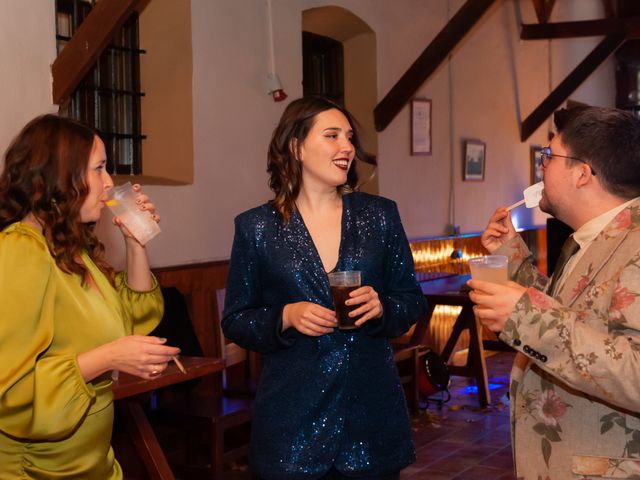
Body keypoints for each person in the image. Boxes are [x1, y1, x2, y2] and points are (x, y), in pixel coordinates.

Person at [222, 96, 427, 479]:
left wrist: (382, 307)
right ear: (296, 146)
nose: (347, 147)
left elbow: (410, 301)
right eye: (332, 135)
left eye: (348, 137)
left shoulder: (380, 217)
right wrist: (285, 316)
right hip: (292, 424)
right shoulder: (256, 228)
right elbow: (236, 319)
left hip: (370, 421)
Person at [0, 114, 180, 478]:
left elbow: (133, 320)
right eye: (98, 169)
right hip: (38, 470)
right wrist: (109, 356)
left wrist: (135, 243)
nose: (109, 183)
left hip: (93, 464)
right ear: (59, 176)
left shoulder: (71, 248)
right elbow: (11, 390)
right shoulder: (21, 251)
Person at [469, 106, 640, 479]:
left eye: (548, 157)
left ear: (582, 173)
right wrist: (511, 257)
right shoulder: (597, 236)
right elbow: (577, 314)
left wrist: (526, 317)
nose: (541, 167)